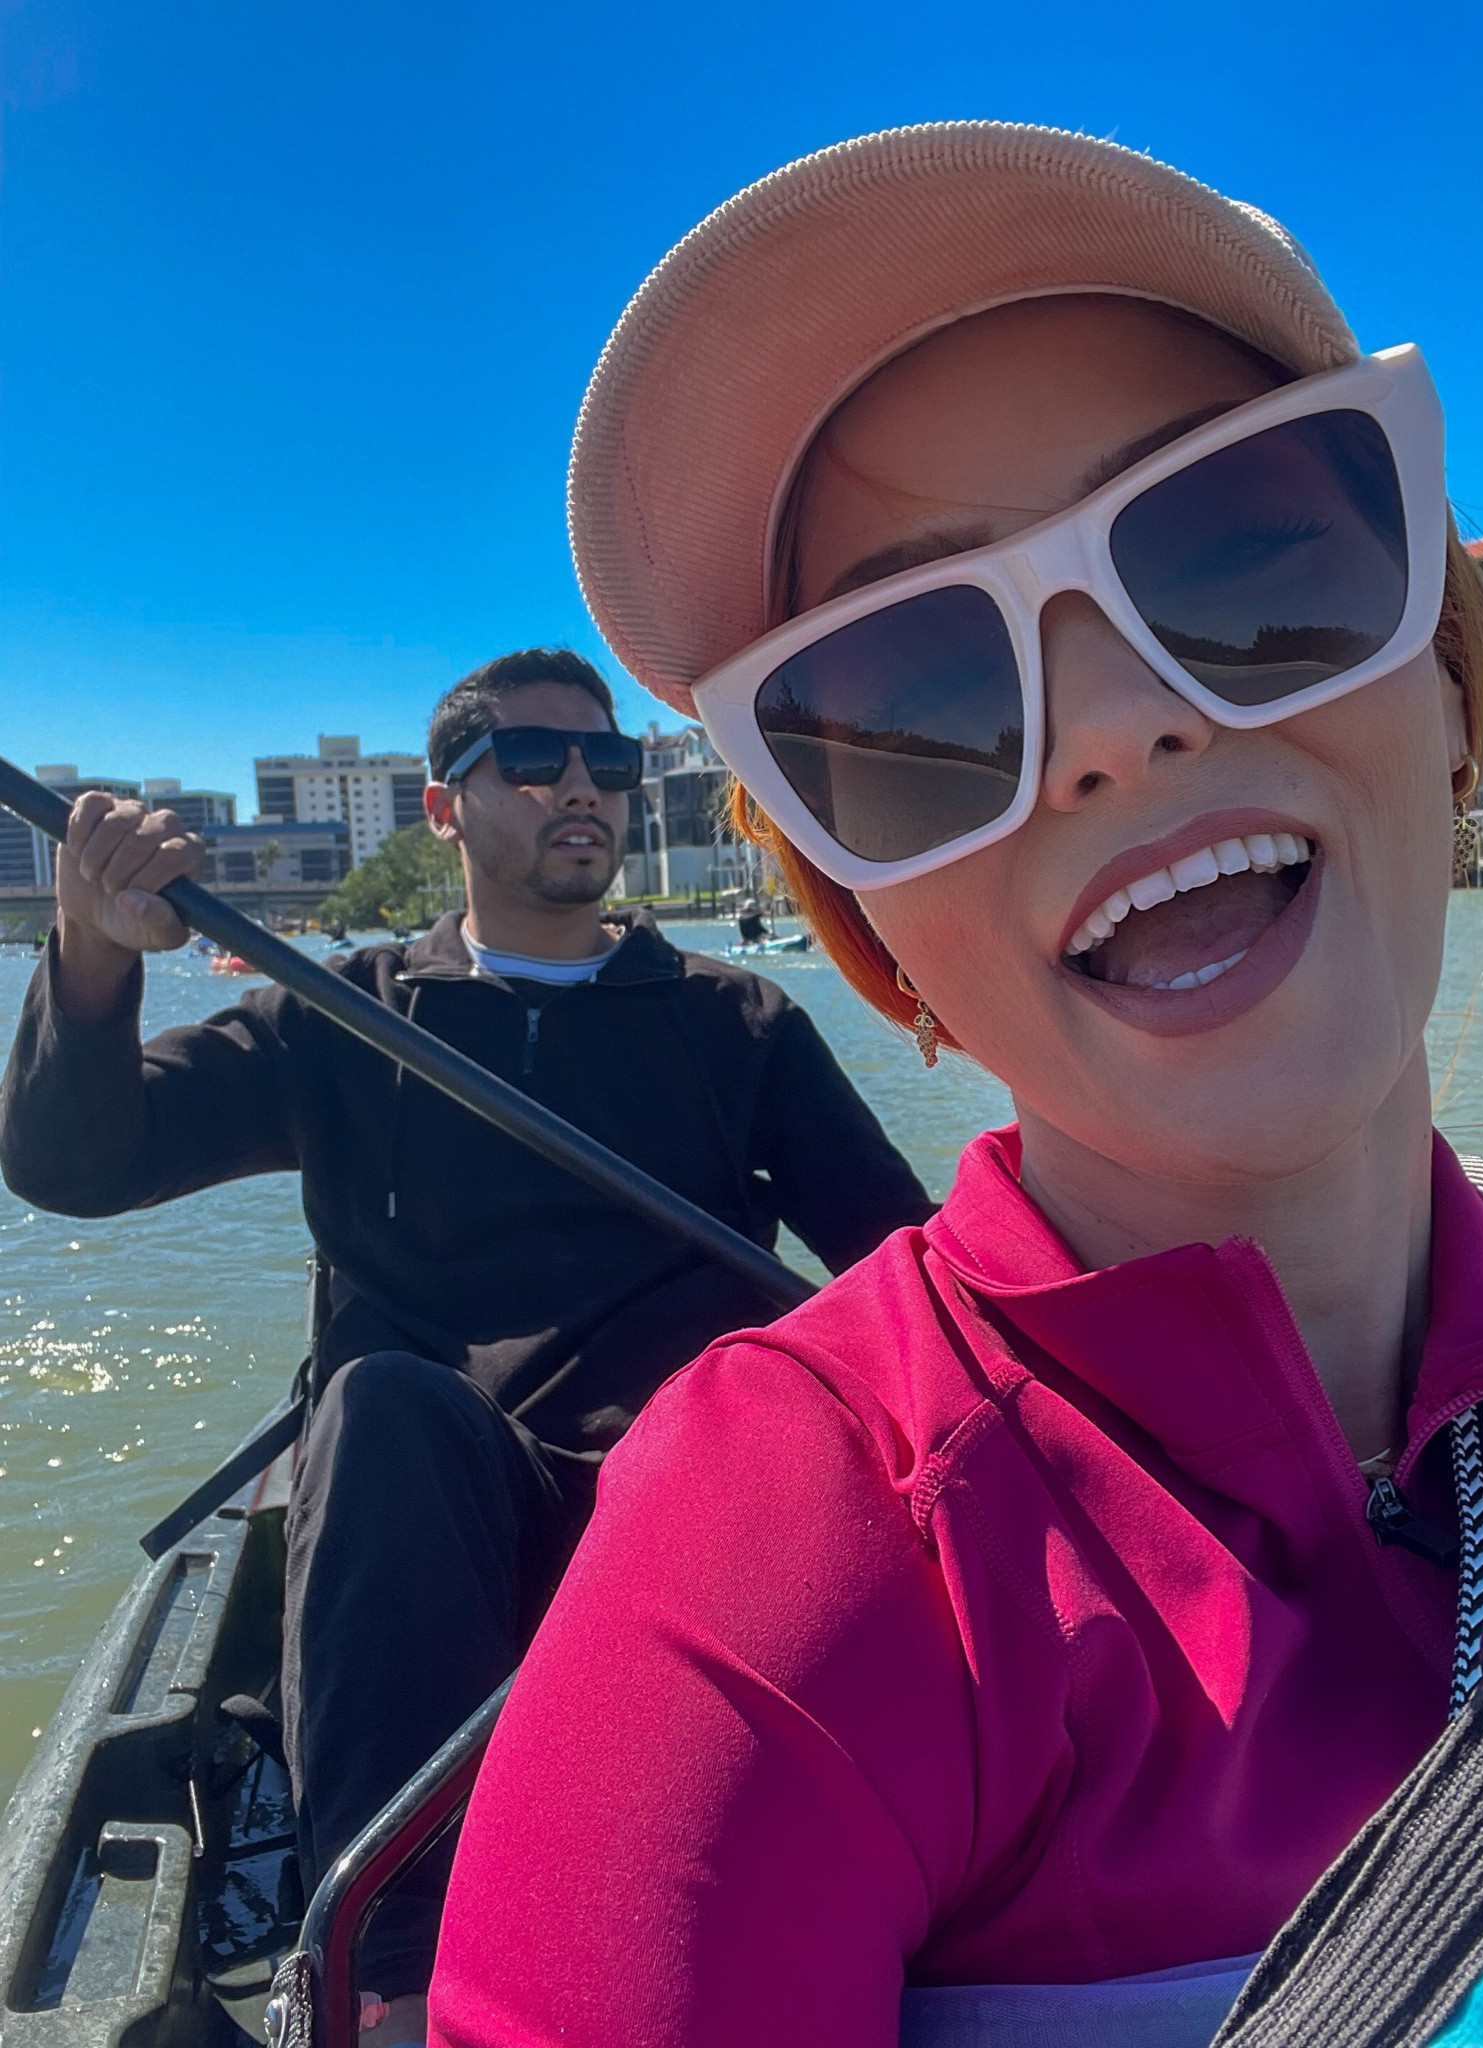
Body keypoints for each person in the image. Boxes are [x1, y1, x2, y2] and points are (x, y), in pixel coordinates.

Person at [427, 128, 1483, 2048]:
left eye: (1243, 558)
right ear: (874, 928)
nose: (1114, 727)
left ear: (1450, 681)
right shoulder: (792, 1559)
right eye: (916, 703)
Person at [0, 644, 932, 2033]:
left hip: (685, 1502)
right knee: (379, 1408)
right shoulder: (338, 1015)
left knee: (777, 1424)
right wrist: (87, 955)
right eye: (536, 759)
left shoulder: (739, 1023)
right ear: (442, 808)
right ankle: (391, 1979)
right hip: (436, 1524)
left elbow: (903, 1269)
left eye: (609, 764)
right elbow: (76, 1163)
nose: (584, 788)